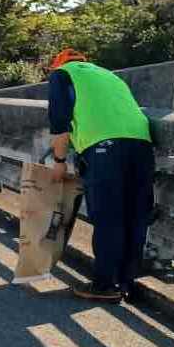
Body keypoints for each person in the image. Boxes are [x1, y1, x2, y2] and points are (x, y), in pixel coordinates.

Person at [43, 49, 156, 304]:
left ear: (58, 65)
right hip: (142, 146)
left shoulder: (62, 75)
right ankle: (127, 281)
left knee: (108, 217)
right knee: (136, 216)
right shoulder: (110, 76)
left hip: (105, 150)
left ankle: (105, 285)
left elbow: (61, 126)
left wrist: (59, 162)